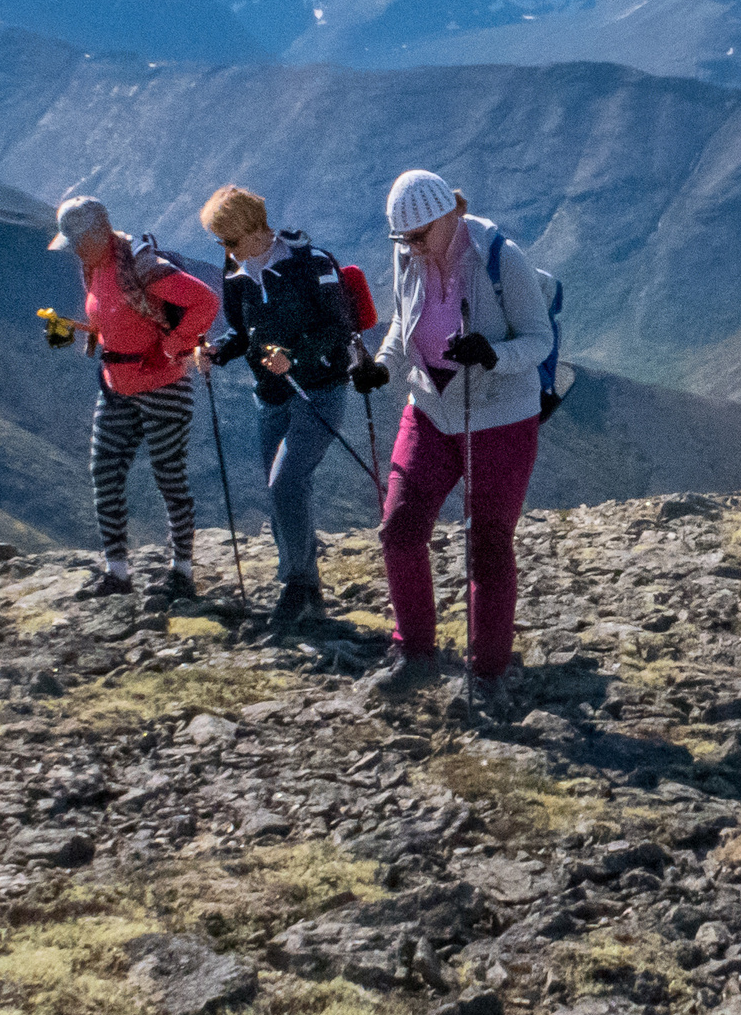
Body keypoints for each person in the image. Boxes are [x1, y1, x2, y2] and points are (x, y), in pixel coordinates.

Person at [369, 169, 554, 703]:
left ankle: (487, 673)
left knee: (488, 543)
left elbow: (538, 340)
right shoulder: (409, 255)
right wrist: (382, 367)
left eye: (418, 236)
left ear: (446, 216)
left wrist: (493, 355)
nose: (410, 247)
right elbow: (403, 328)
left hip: (500, 418)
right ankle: (413, 652)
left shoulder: (503, 259)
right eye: (403, 239)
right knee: (399, 527)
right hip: (429, 408)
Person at [197, 185, 387, 632]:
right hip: (271, 396)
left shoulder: (311, 263)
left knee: (285, 483)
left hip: (319, 390)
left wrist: (295, 357)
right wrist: (215, 353)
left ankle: (296, 586)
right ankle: (310, 595)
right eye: (220, 243)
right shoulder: (236, 273)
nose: (225, 250)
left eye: (229, 240)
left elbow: (339, 326)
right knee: (282, 490)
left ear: (253, 228)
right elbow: (242, 335)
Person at [50, 193, 221, 603]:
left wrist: (175, 345)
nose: (73, 250)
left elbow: (205, 300)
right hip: (115, 386)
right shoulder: (91, 266)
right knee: (104, 473)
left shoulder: (142, 265)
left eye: (77, 242)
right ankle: (117, 574)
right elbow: (109, 323)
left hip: (162, 386)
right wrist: (71, 329)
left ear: (99, 234)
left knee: (169, 478)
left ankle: (181, 573)